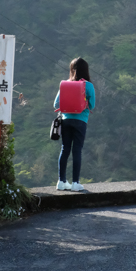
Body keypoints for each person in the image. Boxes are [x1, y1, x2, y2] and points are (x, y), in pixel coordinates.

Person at [53, 57, 96, 192]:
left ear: (72, 70)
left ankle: (61, 181)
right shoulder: (88, 86)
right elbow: (93, 105)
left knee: (65, 149)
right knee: (77, 150)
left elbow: (56, 104)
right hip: (81, 121)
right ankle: (75, 183)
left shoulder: (65, 85)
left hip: (66, 120)